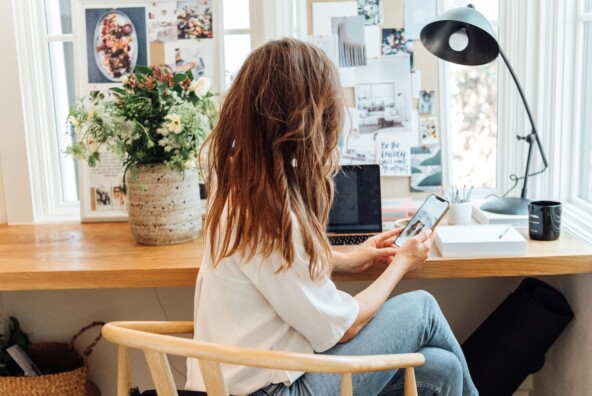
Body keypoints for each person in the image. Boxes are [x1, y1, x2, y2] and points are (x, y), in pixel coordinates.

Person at [186, 38, 477, 396]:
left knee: (441, 368)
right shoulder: (272, 215)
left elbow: (273, 268)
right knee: (423, 307)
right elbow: (343, 327)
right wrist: (400, 263)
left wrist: (343, 259)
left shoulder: (236, 185)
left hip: (232, 383)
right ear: (304, 117)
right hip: (271, 390)